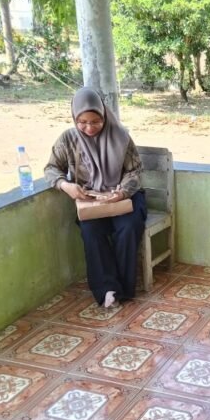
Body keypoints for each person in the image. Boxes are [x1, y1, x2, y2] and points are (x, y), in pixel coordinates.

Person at [44, 87, 146, 308]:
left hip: (123, 196)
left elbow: (135, 171)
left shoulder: (120, 136)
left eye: (95, 121)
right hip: (91, 199)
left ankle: (125, 289)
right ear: (74, 118)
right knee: (91, 231)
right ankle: (106, 288)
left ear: (104, 115)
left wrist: (121, 192)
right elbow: (51, 168)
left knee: (128, 228)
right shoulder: (68, 139)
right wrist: (66, 185)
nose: (89, 128)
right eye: (82, 122)